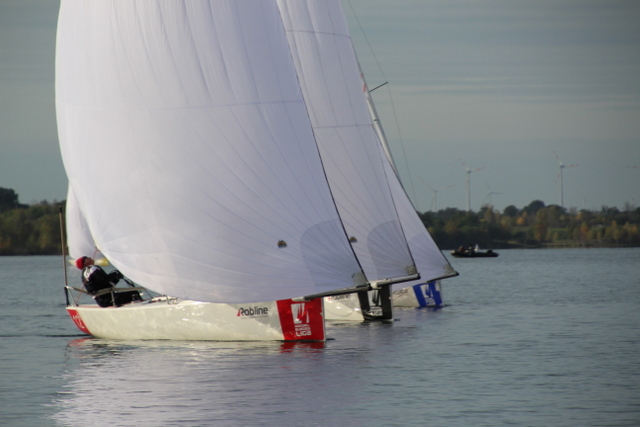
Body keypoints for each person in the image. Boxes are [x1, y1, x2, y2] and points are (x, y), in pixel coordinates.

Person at [75, 256, 141, 307]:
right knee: (134, 294)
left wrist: (116, 279)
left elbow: (104, 285)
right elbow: (105, 279)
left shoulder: (84, 274)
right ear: (85, 262)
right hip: (108, 299)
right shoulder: (92, 268)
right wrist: (115, 274)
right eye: (86, 258)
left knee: (132, 294)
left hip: (102, 301)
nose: (89, 257)